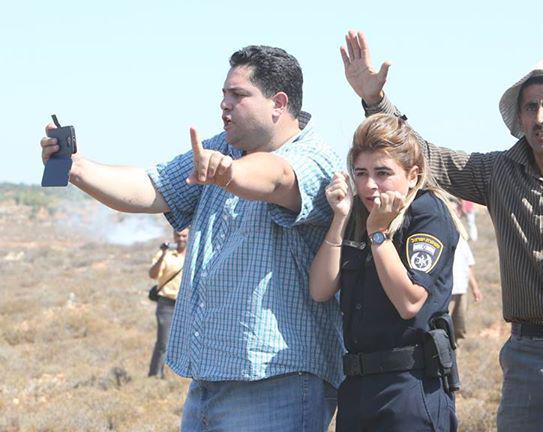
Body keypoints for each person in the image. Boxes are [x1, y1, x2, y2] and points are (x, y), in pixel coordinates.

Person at [341, 13, 543, 431]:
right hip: (525, 355)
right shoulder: (497, 173)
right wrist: (375, 101)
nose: (540, 117)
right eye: (530, 107)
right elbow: (425, 156)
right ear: (519, 118)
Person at [41, 45, 343, 431]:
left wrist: (229, 174)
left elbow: (278, 177)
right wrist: (77, 168)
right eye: (223, 94)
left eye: (238, 95)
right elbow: (153, 188)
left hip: (278, 383)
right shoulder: (222, 148)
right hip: (209, 380)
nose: (224, 104)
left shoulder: (313, 155)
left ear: (278, 103)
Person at [309, 114, 464, 431]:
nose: (369, 185)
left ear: (412, 175)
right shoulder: (357, 213)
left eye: (383, 173)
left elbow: (409, 302)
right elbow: (320, 289)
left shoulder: (425, 213)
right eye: (361, 173)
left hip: (409, 387)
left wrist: (378, 235)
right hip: (357, 389)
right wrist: (340, 219)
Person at [147, 228, 189, 378]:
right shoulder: (165, 255)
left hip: (186, 304)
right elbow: (153, 274)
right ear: (173, 236)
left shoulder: (194, 254)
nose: (181, 239)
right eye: (178, 235)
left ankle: (177, 376)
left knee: (185, 343)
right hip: (167, 304)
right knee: (164, 342)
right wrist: (163, 254)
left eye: (184, 236)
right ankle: (155, 375)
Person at [449, 225, 481, 342]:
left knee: (459, 326)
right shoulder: (441, 239)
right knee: (444, 326)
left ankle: (456, 352)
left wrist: (475, 288)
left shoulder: (462, 241)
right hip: (447, 291)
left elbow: (468, 267)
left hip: (461, 290)